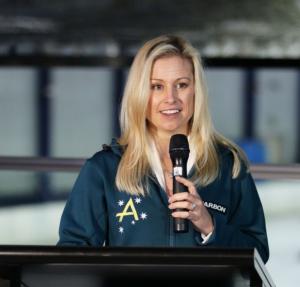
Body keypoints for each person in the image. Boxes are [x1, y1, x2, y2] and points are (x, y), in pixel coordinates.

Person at [58, 34, 269, 263]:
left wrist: (210, 226)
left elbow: (258, 252)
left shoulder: (229, 166)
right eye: (157, 86)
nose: (171, 98)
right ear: (140, 94)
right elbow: (72, 253)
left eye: (182, 85)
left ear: (196, 91)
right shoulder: (104, 170)